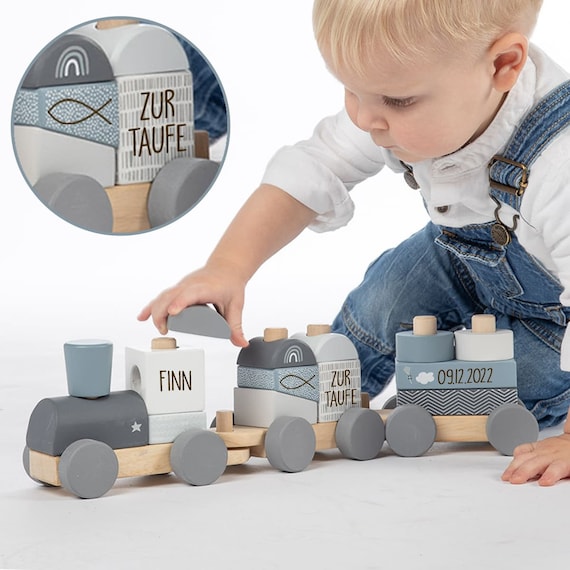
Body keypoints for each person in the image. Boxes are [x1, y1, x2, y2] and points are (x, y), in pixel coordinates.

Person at [138, 0, 570, 481]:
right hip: (458, 258)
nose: (365, 119)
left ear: (503, 65)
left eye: (398, 101)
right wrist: (227, 266)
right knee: (383, 298)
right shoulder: (394, 95)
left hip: (556, 317)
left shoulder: (559, 161)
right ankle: (323, 397)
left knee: (514, 379)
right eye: (350, 90)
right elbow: (313, 169)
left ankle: (429, 405)